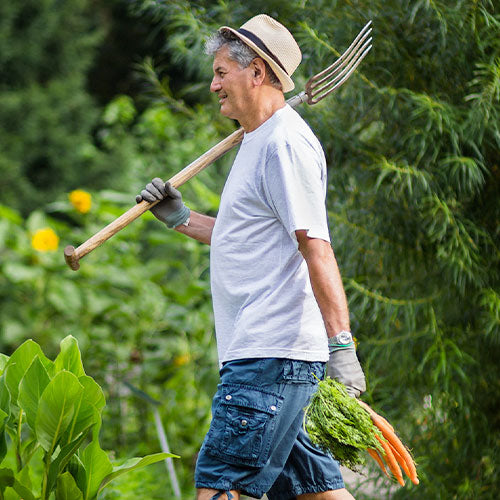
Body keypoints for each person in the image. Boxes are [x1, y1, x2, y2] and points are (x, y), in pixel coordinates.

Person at [137, 14, 366, 500]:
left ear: (257, 72)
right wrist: (180, 219)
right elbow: (247, 237)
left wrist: (341, 346)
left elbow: (315, 246)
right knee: (315, 491)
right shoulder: (258, 140)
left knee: (221, 487)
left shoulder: (284, 143)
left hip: (269, 356)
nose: (213, 83)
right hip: (269, 355)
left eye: (222, 72)